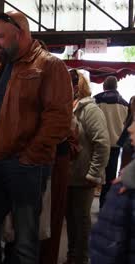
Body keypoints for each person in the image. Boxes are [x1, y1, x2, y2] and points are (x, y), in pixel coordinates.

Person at [0, 11, 73, 264]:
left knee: (25, 241)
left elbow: (59, 119)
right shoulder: (0, 68)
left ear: (21, 33)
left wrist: (29, 157)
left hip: (24, 166)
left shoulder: (50, 65)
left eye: (1, 37)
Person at [65, 71, 110, 264]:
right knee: (72, 221)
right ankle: (72, 256)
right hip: (70, 176)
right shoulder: (71, 107)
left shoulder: (90, 110)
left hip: (84, 177)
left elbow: (102, 143)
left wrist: (93, 174)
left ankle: (80, 259)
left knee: (81, 221)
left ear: (77, 87)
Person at [89, 98, 135, 264]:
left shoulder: (97, 100)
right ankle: (102, 204)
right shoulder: (123, 102)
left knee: (109, 181)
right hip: (117, 148)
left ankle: (102, 205)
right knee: (110, 181)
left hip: (111, 146)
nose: (131, 129)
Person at [94, 76, 129, 208]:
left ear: (104, 86)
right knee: (110, 178)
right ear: (116, 87)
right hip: (115, 146)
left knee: (94, 176)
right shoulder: (125, 104)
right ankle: (104, 206)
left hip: (98, 144)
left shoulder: (97, 100)